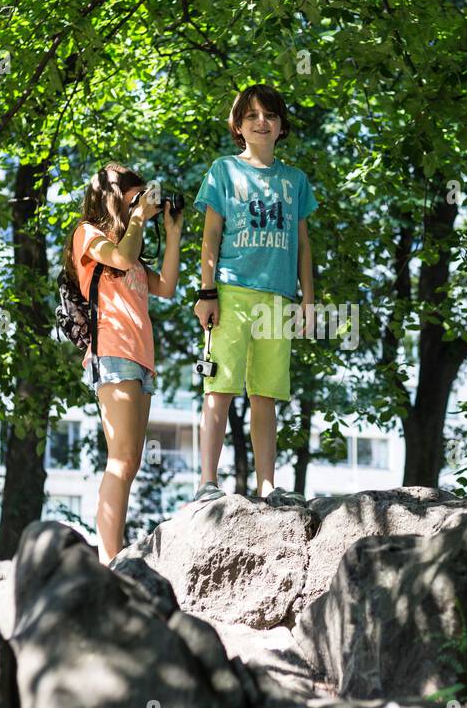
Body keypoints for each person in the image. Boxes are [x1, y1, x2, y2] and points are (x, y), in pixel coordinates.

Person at [191, 84, 316, 506]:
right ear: (238, 126)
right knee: (219, 386)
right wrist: (207, 292)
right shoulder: (224, 171)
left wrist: (309, 299)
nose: (261, 121)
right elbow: (210, 235)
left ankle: (267, 485)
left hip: (279, 297)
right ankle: (208, 482)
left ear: (281, 126)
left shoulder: (295, 181)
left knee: (267, 393)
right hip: (230, 290)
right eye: (251, 116)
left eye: (270, 115)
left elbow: (303, 244)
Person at [61, 163, 181, 561]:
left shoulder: (132, 247)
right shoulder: (87, 235)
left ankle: (113, 554)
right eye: (135, 198)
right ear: (114, 199)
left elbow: (165, 286)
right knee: (120, 460)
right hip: (112, 353)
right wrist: (139, 220)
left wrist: (174, 231)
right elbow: (123, 258)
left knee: (129, 463)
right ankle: (109, 560)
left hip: (141, 359)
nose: (141, 206)